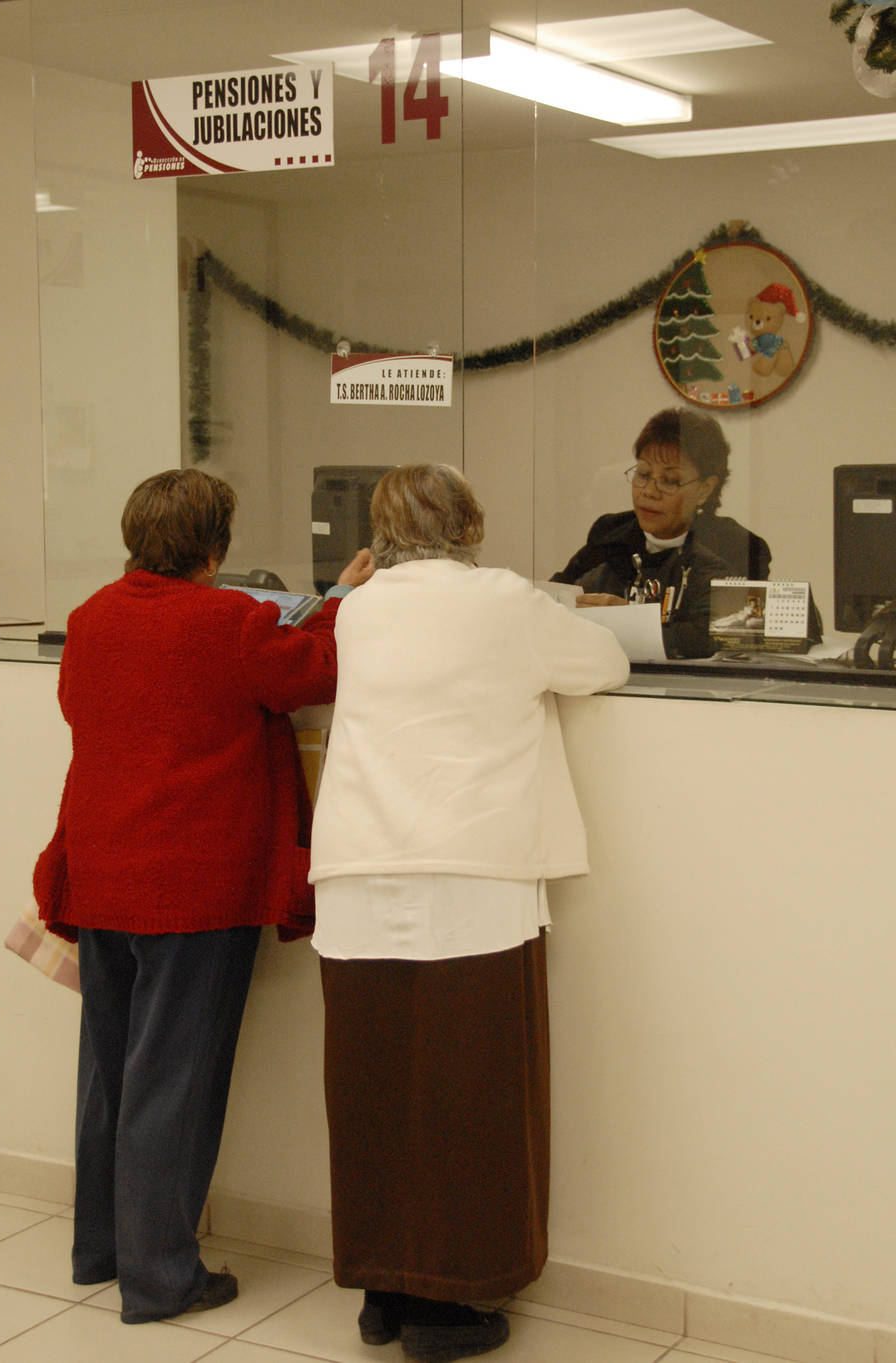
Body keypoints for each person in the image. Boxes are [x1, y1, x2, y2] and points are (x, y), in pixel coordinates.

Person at [32, 467, 371, 1325]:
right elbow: (316, 671)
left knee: (111, 1072)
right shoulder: (232, 623)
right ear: (215, 545)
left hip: (104, 872)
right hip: (194, 885)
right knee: (173, 1081)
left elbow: (87, 706)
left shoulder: (92, 616)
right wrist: (342, 599)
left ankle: (101, 1247)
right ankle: (161, 1276)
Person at [308, 463, 630, 1363]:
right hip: (471, 874)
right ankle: (450, 1309)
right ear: (469, 523)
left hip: (360, 871)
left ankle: (384, 1289)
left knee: (373, 1088)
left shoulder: (358, 608)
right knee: (470, 1093)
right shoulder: (501, 600)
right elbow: (602, 664)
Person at [551, 408, 772, 658]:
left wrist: (630, 623)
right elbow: (554, 599)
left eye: (669, 481)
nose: (649, 491)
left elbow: (728, 636)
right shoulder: (612, 534)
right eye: (643, 475)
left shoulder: (736, 546)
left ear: (705, 489)